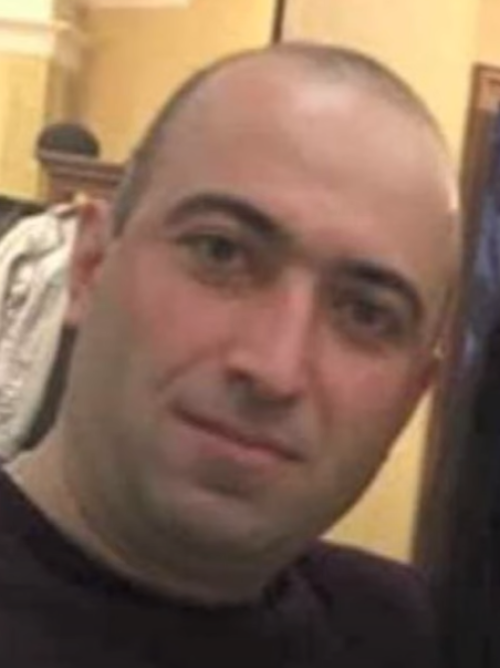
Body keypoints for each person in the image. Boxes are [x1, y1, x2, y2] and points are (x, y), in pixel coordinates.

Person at [0, 42, 460, 667]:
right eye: (221, 252)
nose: (274, 368)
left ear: (413, 397)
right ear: (91, 264)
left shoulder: (409, 632)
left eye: (365, 313)